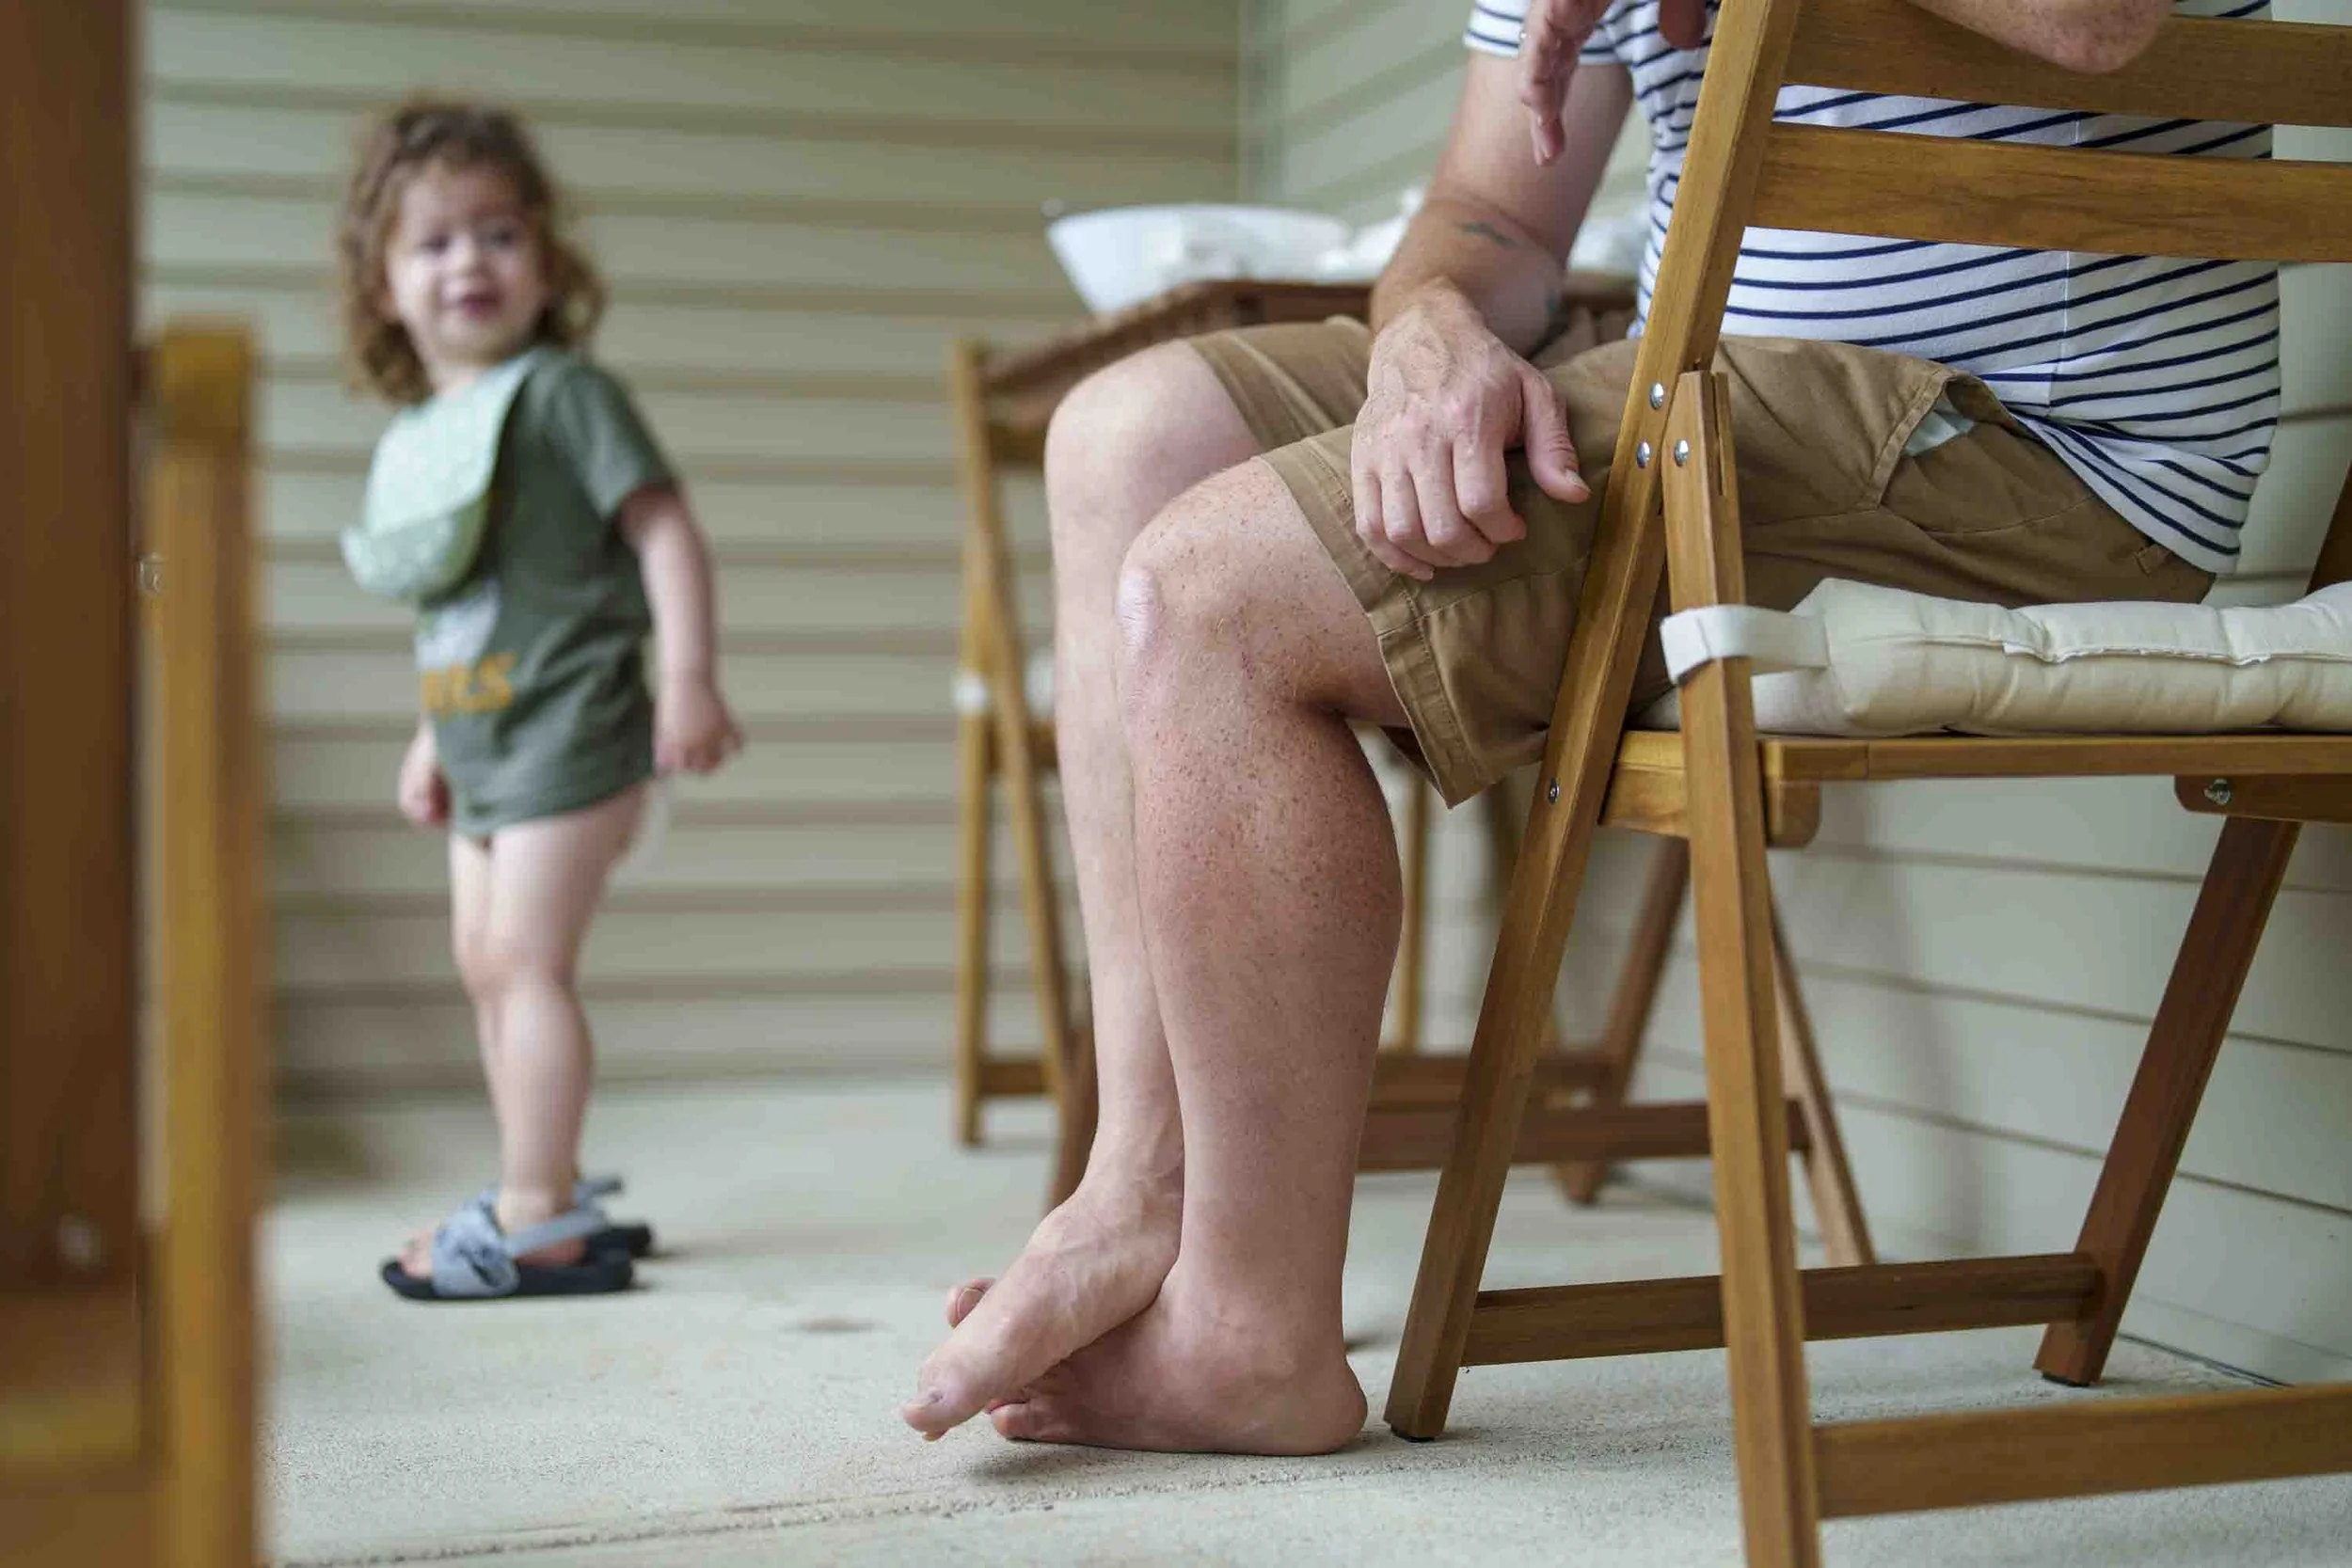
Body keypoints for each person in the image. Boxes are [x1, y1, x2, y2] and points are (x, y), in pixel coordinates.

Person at [903, 0, 2276, 1449]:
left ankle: (1252, 1336)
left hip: (2040, 448)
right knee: (1128, 435)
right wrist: (1428, 332)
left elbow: (2100, 22)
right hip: (1731, 380)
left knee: (1217, 594)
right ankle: (1139, 1184)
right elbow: (1491, 213)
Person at [337, 102, 744, 1301]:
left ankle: (535, 1213)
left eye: (499, 233)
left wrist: (685, 674)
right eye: (434, 241)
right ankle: (540, 1177)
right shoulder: (423, 434)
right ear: (384, 287)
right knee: (484, 959)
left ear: (547, 261)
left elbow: (664, 532)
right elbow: (462, 605)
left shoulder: (564, 394)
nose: (469, 260)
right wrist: (432, 732)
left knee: (524, 957)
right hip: (480, 739)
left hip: (574, 723)